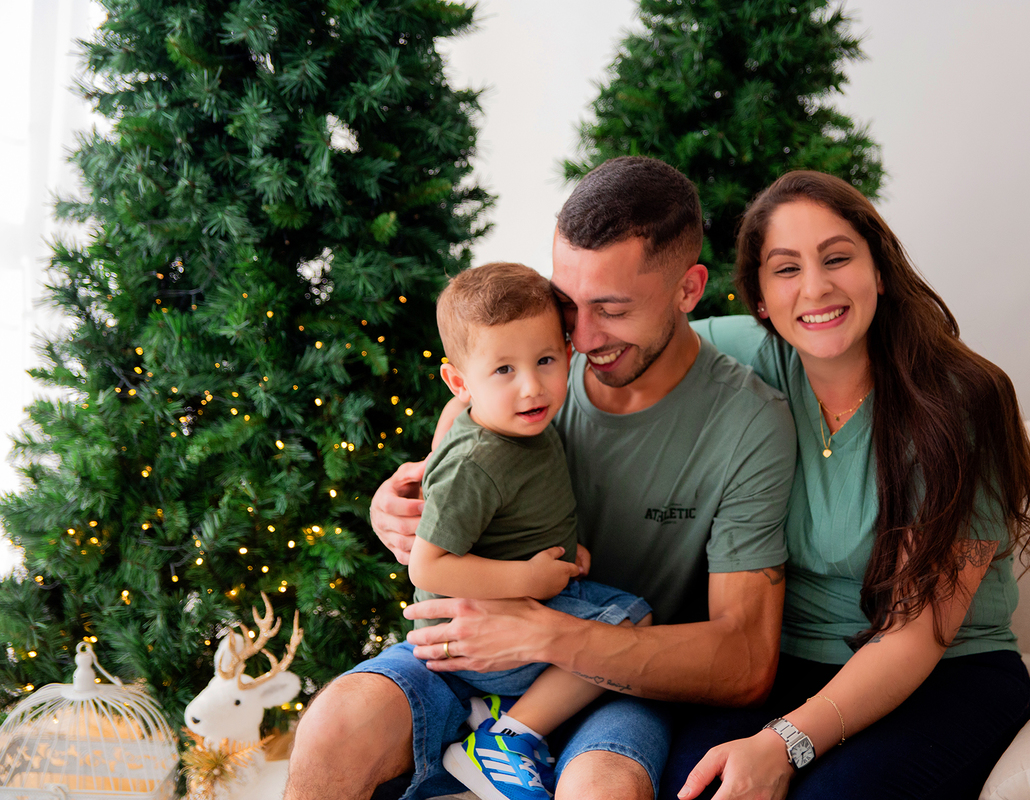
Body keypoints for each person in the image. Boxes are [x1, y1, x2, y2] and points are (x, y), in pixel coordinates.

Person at [284, 156, 797, 800]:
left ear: (689, 290)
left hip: (613, 680)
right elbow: (459, 450)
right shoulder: (530, 375)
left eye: (611, 309)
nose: (579, 336)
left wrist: (544, 632)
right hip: (470, 653)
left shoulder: (748, 425)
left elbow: (746, 664)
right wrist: (397, 507)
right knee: (335, 725)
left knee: (600, 791)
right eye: (567, 304)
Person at [672, 170, 1030, 800]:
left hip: (943, 673)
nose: (816, 287)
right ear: (759, 300)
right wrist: (475, 410)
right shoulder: (750, 362)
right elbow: (624, 343)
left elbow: (915, 634)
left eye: (837, 258)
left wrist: (782, 745)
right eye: (786, 268)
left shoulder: (958, 401)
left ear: (879, 270)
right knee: (690, 786)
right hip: (786, 666)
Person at [411, 260, 653, 800]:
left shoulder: (521, 428)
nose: (531, 387)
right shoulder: (477, 461)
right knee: (629, 623)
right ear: (460, 381)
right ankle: (507, 738)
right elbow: (427, 565)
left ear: (568, 352)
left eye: (545, 360)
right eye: (503, 371)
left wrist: (567, 552)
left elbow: (517, 517)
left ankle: (499, 713)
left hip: (521, 601)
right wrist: (532, 579)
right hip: (471, 630)